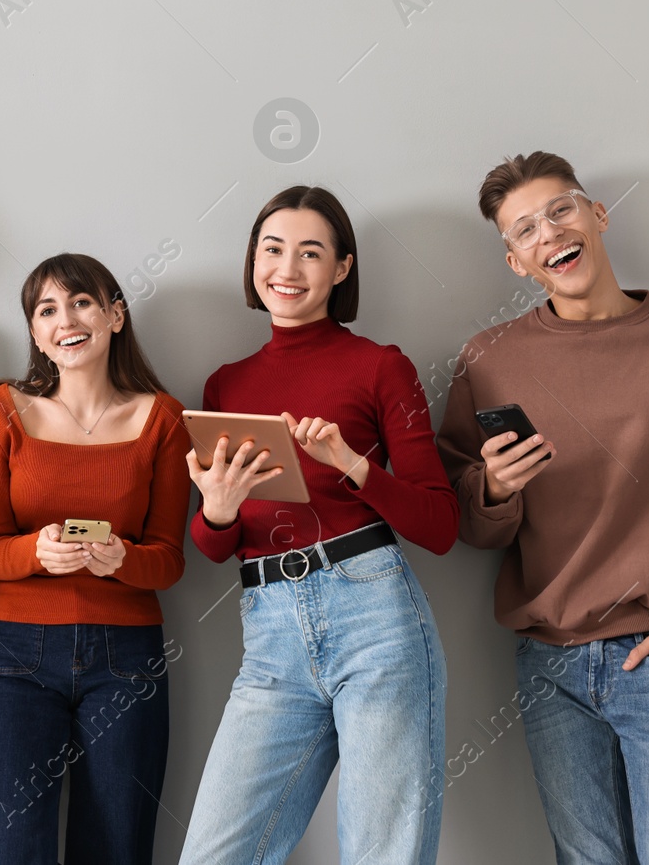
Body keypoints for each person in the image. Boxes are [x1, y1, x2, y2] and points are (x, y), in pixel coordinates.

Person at [437, 151, 649, 865]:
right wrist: (495, 487)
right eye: (525, 228)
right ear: (515, 262)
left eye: (560, 209)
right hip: (548, 662)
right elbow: (466, 521)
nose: (549, 232)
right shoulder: (487, 359)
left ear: (597, 214)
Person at [179, 186, 456, 865]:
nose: (288, 268)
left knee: (380, 852)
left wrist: (352, 463)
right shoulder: (226, 385)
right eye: (273, 249)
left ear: (341, 268)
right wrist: (217, 506)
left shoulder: (380, 365)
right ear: (253, 263)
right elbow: (215, 544)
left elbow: (440, 523)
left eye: (311, 252)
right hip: (269, 629)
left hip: (376, 618)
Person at [0, 254, 190, 865]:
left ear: (115, 314)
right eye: (47, 309)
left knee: (117, 846)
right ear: (36, 334)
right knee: (10, 848)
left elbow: (169, 562)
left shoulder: (164, 418)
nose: (66, 319)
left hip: (127, 656)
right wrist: (35, 552)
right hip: (17, 652)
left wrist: (120, 559)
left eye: (82, 301)